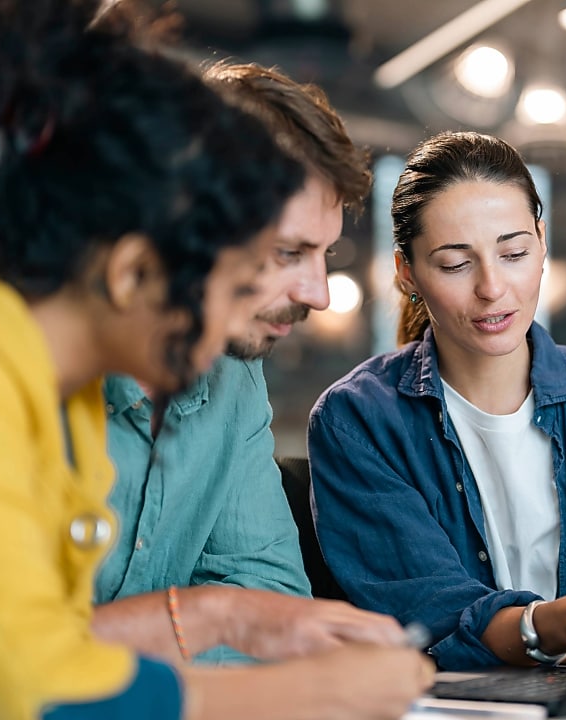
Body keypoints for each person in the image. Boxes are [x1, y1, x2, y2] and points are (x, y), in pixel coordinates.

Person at [0, 2, 430, 718]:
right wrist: (312, 692)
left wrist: (241, 619)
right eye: (226, 283)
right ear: (131, 274)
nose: (232, 319)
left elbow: (61, 646)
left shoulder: (59, 402)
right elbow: (35, 694)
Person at [307, 131, 566, 671]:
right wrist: (563, 626)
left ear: (541, 243)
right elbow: (430, 619)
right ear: (407, 273)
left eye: (514, 252)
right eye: (453, 264)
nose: (492, 288)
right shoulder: (358, 420)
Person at [92, 61, 382, 663]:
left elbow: (274, 602)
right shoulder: (10, 375)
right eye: (288, 251)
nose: (319, 294)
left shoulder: (233, 380)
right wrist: (214, 617)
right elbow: (7, 662)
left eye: (325, 253)